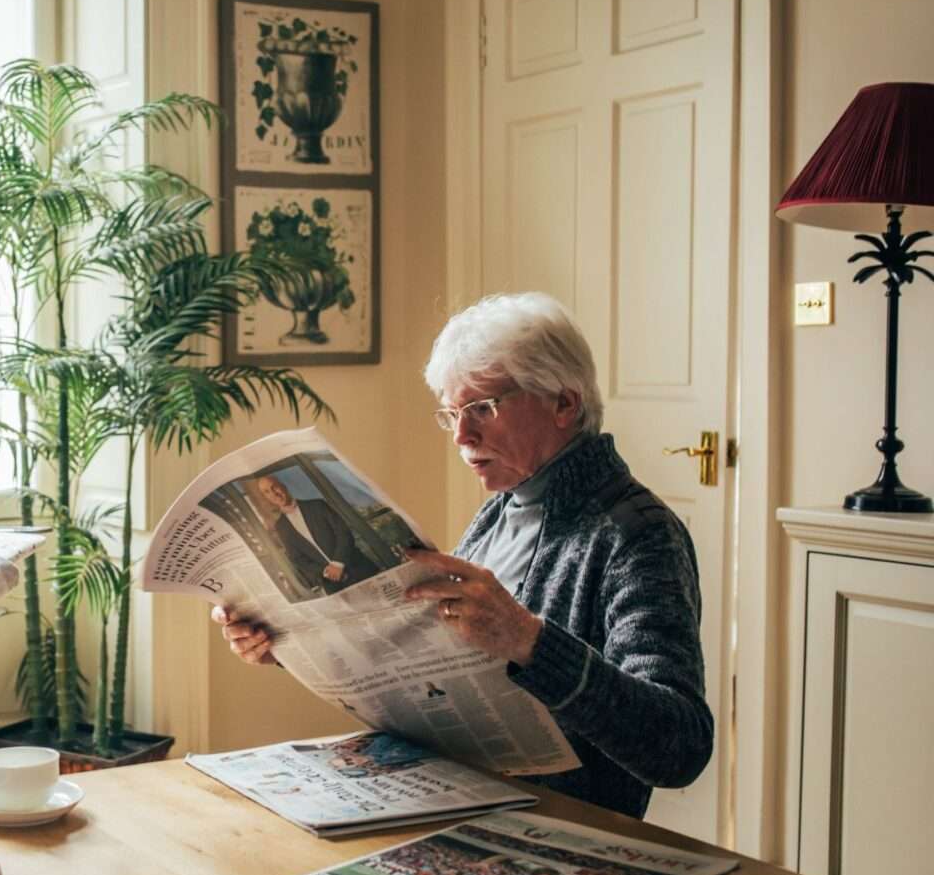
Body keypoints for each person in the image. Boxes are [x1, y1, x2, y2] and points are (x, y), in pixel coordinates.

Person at [214, 292, 712, 819]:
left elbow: (679, 748)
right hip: (456, 808)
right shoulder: (499, 512)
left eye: (481, 408)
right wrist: (287, 641)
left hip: (560, 835)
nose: (460, 435)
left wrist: (529, 642)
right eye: (451, 413)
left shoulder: (638, 534)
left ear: (564, 404)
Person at [251, 474, 379, 593]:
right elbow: (297, 558)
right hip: (333, 585)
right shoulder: (281, 527)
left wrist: (337, 564)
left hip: (360, 569)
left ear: (283, 486)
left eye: (275, 487)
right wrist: (326, 572)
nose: (274, 493)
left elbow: (343, 533)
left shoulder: (317, 505)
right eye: (267, 492)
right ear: (266, 497)